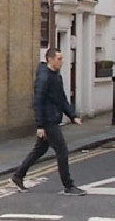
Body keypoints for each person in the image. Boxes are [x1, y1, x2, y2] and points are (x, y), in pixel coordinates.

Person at [11, 48, 87, 196]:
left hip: (52, 119)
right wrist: (40, 125)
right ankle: (68, 186)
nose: (62, 62)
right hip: (48, 121)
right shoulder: (44, 78)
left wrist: (73, 115)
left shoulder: (56, 76)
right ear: (50, 59)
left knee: (40, 150)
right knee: (62, 151)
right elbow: (37, 102)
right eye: (59, 59)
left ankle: (18, 176)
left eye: (62, 58)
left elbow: (62, 99)